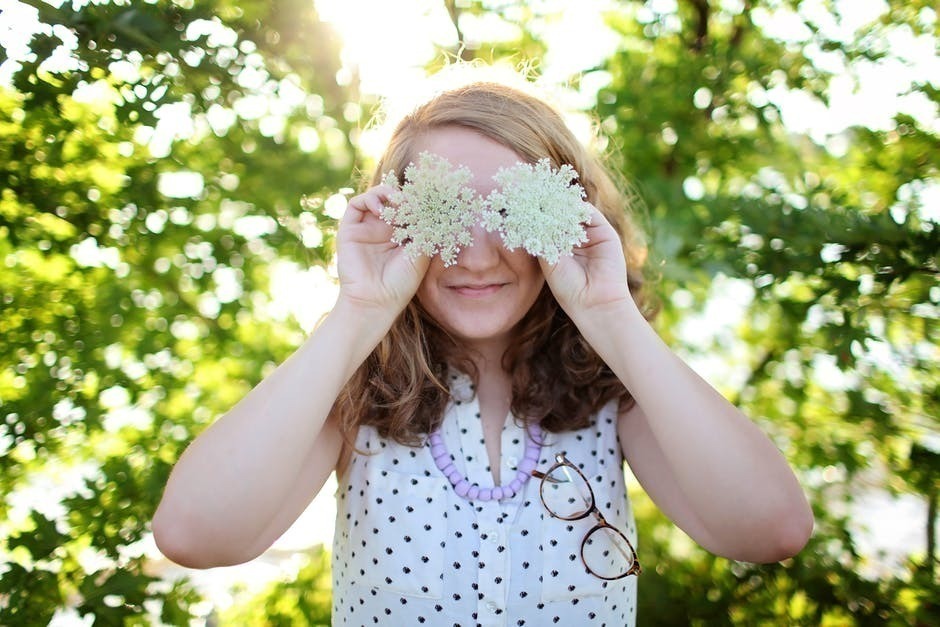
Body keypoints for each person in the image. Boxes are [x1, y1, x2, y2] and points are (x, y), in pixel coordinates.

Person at [152, 69, 814, 626]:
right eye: (442, 211)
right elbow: (194, 535)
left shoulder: (613, 391)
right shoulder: (356, 389)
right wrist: (359, 310)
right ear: (396, 220)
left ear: (571, 216)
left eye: (510, 212)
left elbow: (771, 529)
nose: (474, 256)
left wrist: (610, 314)